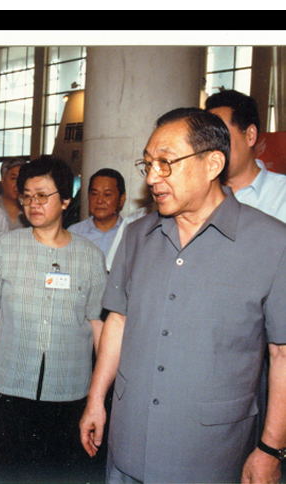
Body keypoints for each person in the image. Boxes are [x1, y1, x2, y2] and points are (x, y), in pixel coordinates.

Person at [79, 107, 286, 483]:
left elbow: (282, 354)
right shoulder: (137, 236)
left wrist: (271, 449)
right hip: (128, 444)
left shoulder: (273, 242)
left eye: (166, 163)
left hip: (211, 454)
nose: (152, 177)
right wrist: (96, 399)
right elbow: (117, 322)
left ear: (213, 164)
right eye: (148, 164)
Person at [0, 156, 107, 483]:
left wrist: (100, 389)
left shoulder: (89, 255)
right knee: (4, 470)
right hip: (10, 380)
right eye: (27, 196)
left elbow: (98, 324)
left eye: (43, 196)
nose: (33, 204)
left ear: (66, 200)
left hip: (69, 386)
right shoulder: (5, 247)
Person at [205, 89, 286, 223]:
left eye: (220, 136)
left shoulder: (281, 195)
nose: (211, 146)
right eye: (206, 138)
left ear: (250, 136)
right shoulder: (200, 193)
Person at [69, 168, 126, 256]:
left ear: (121, 199)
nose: (99, 200)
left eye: (107, 195)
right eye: (94, 194)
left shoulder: (130, 234)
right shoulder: (74, 233)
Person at [0, 157, 29, 230]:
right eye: (13, 178)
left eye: (22, 179)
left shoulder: (31, 208)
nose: (18, 184)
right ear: (2, 180)